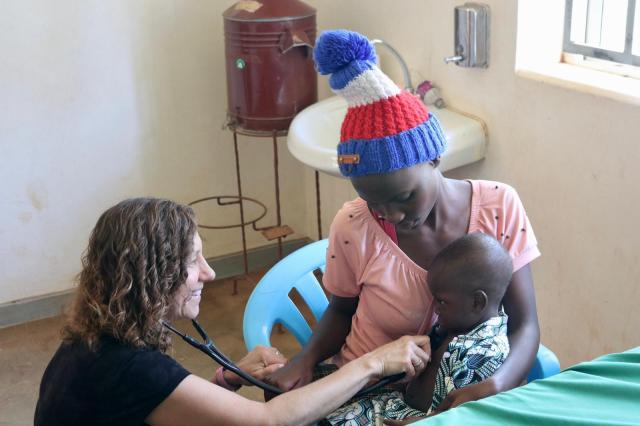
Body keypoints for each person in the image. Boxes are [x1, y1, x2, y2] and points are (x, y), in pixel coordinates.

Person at [268, 29, 541, 412]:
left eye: (405, 197)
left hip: (461, 395)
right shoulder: (353, 226)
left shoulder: (499, 207)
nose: (391, 214)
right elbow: (341, 310)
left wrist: (497, 383)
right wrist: (307, 358)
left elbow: (524, 323)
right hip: (366, 388)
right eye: (373, 200)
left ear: (434, 159)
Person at [34, 198, 431, 426]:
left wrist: (226, 378)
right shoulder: (127, 365)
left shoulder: (94, 341)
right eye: (194, 262)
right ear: (151, 277)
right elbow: (269, 422)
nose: (209, 272)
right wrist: (373, 363)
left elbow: (158, 406)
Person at [325, 233, 513, 425]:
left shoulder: (482, 354)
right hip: (396, 405)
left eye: (441, 301)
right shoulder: (460, 323)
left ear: (477, 302)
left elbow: (459, 417)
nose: (435, 308)